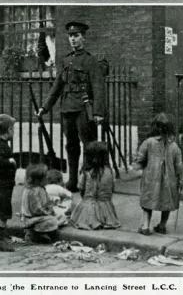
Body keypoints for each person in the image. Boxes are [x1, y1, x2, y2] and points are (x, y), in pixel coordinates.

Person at [37, 21, 107, 192]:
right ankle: (73, 180)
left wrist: (98, 112)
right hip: (67, 108)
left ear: (84, 37)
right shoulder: (66, 60)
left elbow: (98, 87)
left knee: (89, 146)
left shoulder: (90, 61)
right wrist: (45, 107)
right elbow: (56, 86)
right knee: (71, 145)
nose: (73, 39)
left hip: (83, 109)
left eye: (76, 36)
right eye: (70, 36)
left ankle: (89, 182)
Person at [134, 113, 182, 236]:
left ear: (154, 127)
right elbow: (179, 166)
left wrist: (139, 168)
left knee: (147, 201)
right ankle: (162, 225)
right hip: (170, 180)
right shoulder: (175, 146)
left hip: (151, 178)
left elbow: (140, 159)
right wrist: (180, 180)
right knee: (167, 202)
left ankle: (145, 226)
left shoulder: (148, 142)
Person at [70, 141, 121, 230]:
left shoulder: (86, 172)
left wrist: (85, 200)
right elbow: (112, 189)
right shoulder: (110, 171)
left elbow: (81, 189)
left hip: (89, 205)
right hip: (106, 206)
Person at [0, 114, 16, 252]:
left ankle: (0, 234)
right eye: (13, 129)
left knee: (2, 211)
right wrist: (10, 161)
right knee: (4, 212)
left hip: (4, 184)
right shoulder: (1, 146)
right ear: (9, 130)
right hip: (3, 185)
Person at [21, 164, 59, 244]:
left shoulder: (36, 189)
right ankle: (34, 234)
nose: (47, 179)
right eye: (45, 178)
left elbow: (46, 202)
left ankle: (38, 234)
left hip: (31, 217)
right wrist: (48, 213)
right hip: (33, 219)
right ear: (38, 181)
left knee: (58, 216)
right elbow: (37, 210)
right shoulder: (35, 191)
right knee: (53, 220)